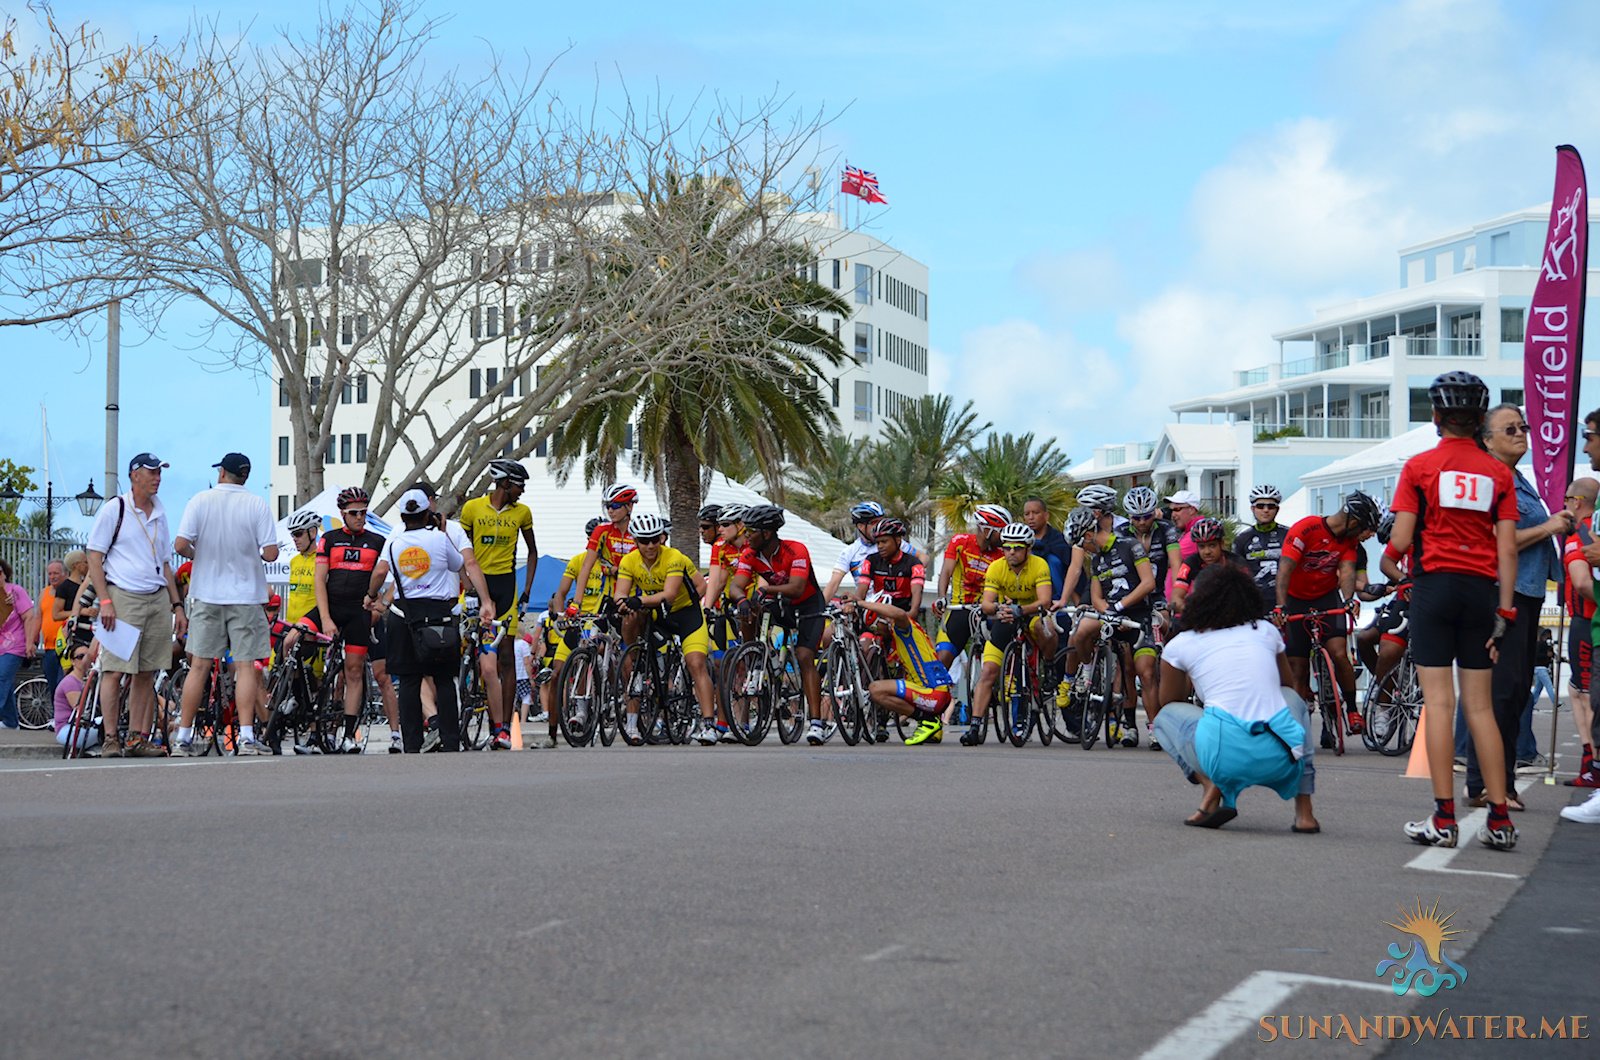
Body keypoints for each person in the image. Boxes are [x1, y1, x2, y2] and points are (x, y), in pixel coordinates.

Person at [1386, 371, 1519, 850]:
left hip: (1433, 587)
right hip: (1482, 591)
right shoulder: (1498, 473)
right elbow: (1507, 549)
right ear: (1481, 419)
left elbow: (1401, 540)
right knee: (1480, 706)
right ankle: (1499, 819)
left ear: (1436, 417)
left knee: (1439, 704)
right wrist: (1505, 612)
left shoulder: (1420, 467)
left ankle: (1443, 818)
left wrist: (1388, 559)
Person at [1457, 405, 1570, 809]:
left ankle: (1496, 781)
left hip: (1528, 593)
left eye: (1523, 426)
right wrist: (1549, 526)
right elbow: (1490, 540)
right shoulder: (1486, 479)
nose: (1522, 433)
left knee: (1516, 691)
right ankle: (1486, 783)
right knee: (1501, 692)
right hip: (1499, 594)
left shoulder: (1516, 479)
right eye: (1511, 428)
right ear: (1486, 440)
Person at [1152, 563, 1319, 833]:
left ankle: (1211, 785)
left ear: (1198, 600)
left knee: (1163, 718)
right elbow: (1284, 685)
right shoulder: (1265, 630)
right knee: (1293, 700)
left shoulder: (1182, 644)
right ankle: (1305, 813)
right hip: (1283, 755)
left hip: (1221, 757)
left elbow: (1171, 701)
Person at [171, 453, 280, 756]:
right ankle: (245, 737)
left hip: (207, 593)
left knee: (199, 666)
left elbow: (180, 545)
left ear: (222, 473)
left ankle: (183, 735)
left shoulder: (200, 501)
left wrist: (200, 555)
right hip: (246, 596)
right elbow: (270, 553)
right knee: (246, 667)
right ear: (245, 476)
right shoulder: (257, 504)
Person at [369, 489, 491, 752]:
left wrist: (371, 595)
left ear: (403, 516)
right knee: (444, 679)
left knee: (409, 681)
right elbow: (458, 564)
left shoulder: (394, 542)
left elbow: (380, 571)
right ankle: (450, 740)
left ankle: (411, 743)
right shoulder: (439, 539)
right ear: (428, 513)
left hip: (404, 616)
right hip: (439, 615)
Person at [85, 453, 188, 758]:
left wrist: (177, 606)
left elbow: (166, 563)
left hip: (156, 597)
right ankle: (111, 737)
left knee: (146, 671)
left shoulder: (160, 512)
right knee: (114, 670)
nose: (158, 477)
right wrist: (105, 600)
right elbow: (93, 555)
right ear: (134, 476)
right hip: (123, 596)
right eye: (152, 472)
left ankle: (136, 738)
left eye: (160, 472)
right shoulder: (114, 509)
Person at [1274, 490, 1379, 743]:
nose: (1365, 535)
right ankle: (1297, 727)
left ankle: (1352, 709)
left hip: (1326, 597)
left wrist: (1348, 601)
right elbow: (1285, 570)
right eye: (1365, 528)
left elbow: (1345, 572)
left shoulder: (1350, 542)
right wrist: (1280, 607)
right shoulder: (1306, 529)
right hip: (1296, 598)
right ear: (1353, 520)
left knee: (1339, 652)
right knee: (1298, 669)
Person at [615, 512, 719, 744]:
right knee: (629, 617)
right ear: (635, 542)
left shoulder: (674, 557)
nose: (651, 545)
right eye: (644, 541)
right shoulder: (628, 561)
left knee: (696, 663)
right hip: (655, 612)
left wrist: (637, 600)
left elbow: (670, 594)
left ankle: (708, 724)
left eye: (655, 539)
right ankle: (636, 663)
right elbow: (620, 594)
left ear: (662, 537)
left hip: (685, 613)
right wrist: (623, 603)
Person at [727, 504, 828, 743]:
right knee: (748, 608)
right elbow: (735, 586)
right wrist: (741, 599)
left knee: (804, 656)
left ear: (767, 533)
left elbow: (797, 588)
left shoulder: (796, 550)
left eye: (751, 530)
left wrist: (765, 589)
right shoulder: (749, 553)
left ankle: (816, 722)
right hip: (777, 602)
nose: (746, 535)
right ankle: (753, 653)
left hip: (807, 604)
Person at [457, 458, 538, 750]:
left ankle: (502, 727)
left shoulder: (523, 512)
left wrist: (527, 590)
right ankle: (473, 701)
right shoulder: (472, 508)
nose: (522, 491)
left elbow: (532, 552)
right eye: (519, 485)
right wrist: (466, 584)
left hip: (506, 588)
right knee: (476, 652)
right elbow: (459, 549)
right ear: (504, 483)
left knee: (506, 657)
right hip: (479, 586)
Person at [1067, 505, 1158, 747]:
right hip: (1113, 617)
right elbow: (1096, 595)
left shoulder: (1130, 546)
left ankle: (1154, 727)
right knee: (1086, 634)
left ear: (1088, 535)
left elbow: (1148, 582)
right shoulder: (1097, 559)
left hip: (1138, 617)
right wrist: (1106, 611)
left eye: (1080, 545)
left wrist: (1120, 607)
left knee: (1145, 672)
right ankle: (1127, 725)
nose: (1083, 551)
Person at [960, 522, 1055, 746]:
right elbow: (986, 603)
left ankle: (1048, 664)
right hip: (1006, 617)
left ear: (1028, 549)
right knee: (988, 671)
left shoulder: (1039, 565)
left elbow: (1045, 601)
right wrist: (998, 609)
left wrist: (1021, 609)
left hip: (1031, 614)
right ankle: (975, 726)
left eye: (1018, 547)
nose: (1011, 552)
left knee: (1045, 627)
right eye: (1007, 547)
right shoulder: (996, 567)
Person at [310, 485, 385, 753]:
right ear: (343, 513)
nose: (360, 518)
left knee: (353, 671)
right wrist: (326, 618)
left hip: (358, 611)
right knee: (294, 639)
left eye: (364, 513)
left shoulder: (377, 541)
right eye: (354, 513)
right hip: (330, 607)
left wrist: (382, 604)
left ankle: (349, 732)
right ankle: (296, 704)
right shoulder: (328, 539)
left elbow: (389, 575)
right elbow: (319, 580)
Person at [853, 517, 926, 743]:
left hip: (902, 617)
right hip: (877, 615)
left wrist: (903, 618)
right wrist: (854, 602)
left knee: (900, 665)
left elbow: (915, 606)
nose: (880, 546)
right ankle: (870, 705)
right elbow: (861, 593)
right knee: (866, 648)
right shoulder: (871, 561)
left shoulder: (913, 563)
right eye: (878, 542)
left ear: (898, 540)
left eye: (885, 541)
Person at [859, 591, 954, 747]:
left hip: (933, 695)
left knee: (875, 689)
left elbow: (899, 613)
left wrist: (861, 603)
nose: (875, 631)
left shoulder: (901, 626)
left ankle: (927, 721)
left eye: (876, 625)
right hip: (936, 695)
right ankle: (933, 724)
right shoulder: (897, 636)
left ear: (886, 619)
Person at [1560, 477, 1599, 788]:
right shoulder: (1592, 531)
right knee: (1578, 691)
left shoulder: (1579, 535)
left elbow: (1583, 582)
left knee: (1585, 696)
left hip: (1585, 624)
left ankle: (1591, 766)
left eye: (1566, 499)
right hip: (1587, 624)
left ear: (1577, 501)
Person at [0, 557, 40, 729]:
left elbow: (29, 617)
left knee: (1, 677)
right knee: (5, 683)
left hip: (14, 645)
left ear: (4, 573)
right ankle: (10, 722)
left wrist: (30, 643)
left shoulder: (16, 591)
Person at [1234, 485, 1288, 612]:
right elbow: (1236, 573)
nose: (1265, 510)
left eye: (1271, 506)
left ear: (1277, 509)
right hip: (1254, 600)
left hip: (1285, 599)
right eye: (1260, 506)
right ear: (1252, 508)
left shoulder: (1288, 535)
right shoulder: (1242, 539)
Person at [51, 643, 99, 753]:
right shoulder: (70, 682)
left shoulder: (85, 680)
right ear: (72, 661)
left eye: (88, 656)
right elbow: (81, 711)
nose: (85, 660)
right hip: (67, 730)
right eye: (80, 657)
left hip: (77, 728)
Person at [1024, 496, 1072, 601]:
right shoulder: (1021, 542)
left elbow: (1072, 568)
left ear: (1046, 516)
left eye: (1035, 513)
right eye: (1027, 514)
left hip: (1057, 602)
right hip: (1027, 598)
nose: (1031, 517)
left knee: (1053, 560)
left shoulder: (1059, 540)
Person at [1522, 628, 1556, 769]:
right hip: (1541, 668)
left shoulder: (1537, 645)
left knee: (1537, 691)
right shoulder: (1541, 645)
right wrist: (1549, 654)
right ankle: (1556, 702)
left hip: (1537, 668)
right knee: (1547, 686)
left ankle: (1537, 702)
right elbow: (1546, 656)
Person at [37, 558, 66, 700]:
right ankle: (58, 718)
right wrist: (32, 640)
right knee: (53, 686)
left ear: (65, 574)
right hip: (49, 647)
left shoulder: (70, 591)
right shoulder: (44, 592)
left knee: (63, 685)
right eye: (50, 574)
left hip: (65, 647)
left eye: (56, 573)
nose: (52, 577)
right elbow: (38, 617)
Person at [1165, 489, 1204, 569]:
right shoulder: (1188, 532)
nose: (1173, 515)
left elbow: (1166, 561)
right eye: (1171, 510)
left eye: (1177, 509)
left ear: (1192, 510)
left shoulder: (1196, 534)